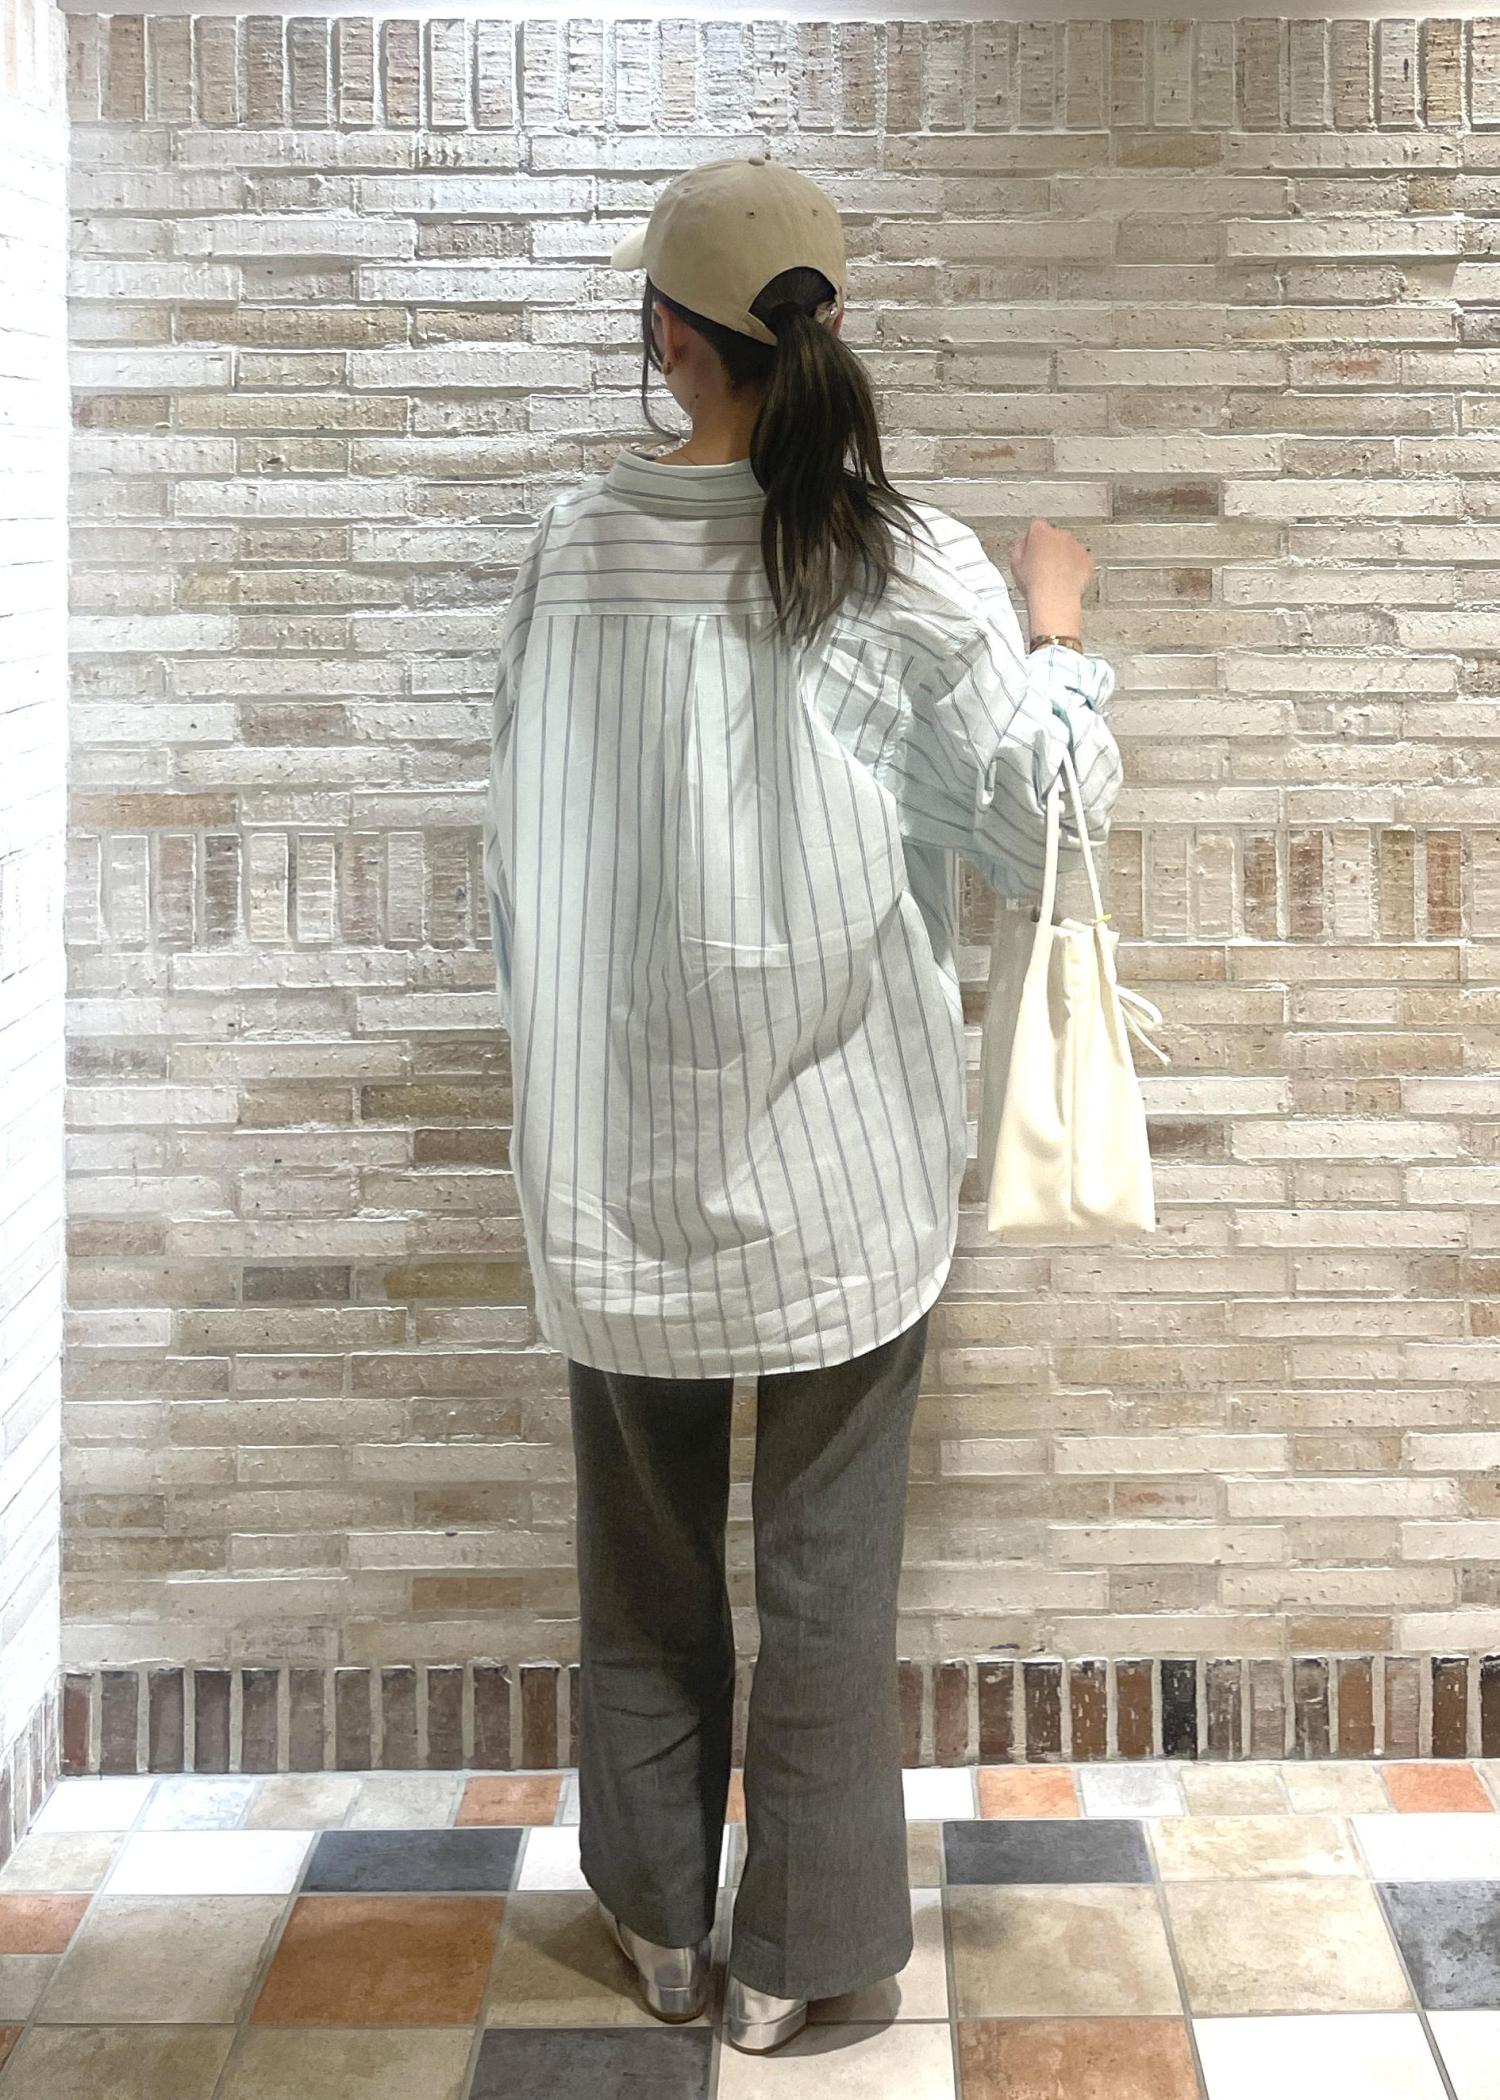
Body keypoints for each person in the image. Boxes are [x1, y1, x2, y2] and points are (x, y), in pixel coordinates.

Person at [480, 154, 1123, 2055]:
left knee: (642, 1569)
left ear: (666, 338)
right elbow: (1047, 831)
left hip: (610, 1163)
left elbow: (514, 865)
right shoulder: (905, 562)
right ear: (823, 330)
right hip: (842, 1171)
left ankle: (663, 1930)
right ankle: (793, 1960)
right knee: (830, 1582)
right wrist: (1061, 630)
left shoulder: (574, 556)